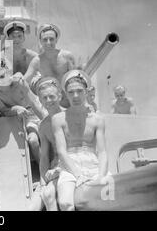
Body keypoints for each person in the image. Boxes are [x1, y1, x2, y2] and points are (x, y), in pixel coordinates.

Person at [52, 70, 108, 211]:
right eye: (71, 92)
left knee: (108, 200)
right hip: (69, 165)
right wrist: (78, 175)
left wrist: (101, 177)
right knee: (66, 204)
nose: (75, 96)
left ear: (86, 92)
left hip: (94, 165)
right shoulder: (58, 119)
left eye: (79, 91)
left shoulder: (98, 119)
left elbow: (102, 152)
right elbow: (61, 151)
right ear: (65, 93)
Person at [0, 58, 45, 164]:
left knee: (51, 134)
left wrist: (45, 120)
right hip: (27, 118)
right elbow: (4, 110)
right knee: (33, 141)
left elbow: (33, 102)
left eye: (2, 76)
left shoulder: (19, 82)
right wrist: (16, 109)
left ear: (8, 74)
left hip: (39, 110)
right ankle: (42, 168)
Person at [23, 23, 75, 107]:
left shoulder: (67, 56)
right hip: (50, 104)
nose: (48, 42)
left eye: (51, 39)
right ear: (40, 41)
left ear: (56, 40)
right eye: (45, 39)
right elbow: (24, 81)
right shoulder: (37, 61)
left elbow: (75, 80)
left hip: (68, 103)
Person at [36, 77, 63, 211]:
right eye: (44, 98)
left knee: (49, 195)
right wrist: (42, 182)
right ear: (40, 100)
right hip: (54, 169)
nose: (48, 101)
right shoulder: (44, 126)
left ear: (59, 96)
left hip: (69, 166)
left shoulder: (69, 115)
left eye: (51, 96)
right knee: (33, 207)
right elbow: (45, 156)